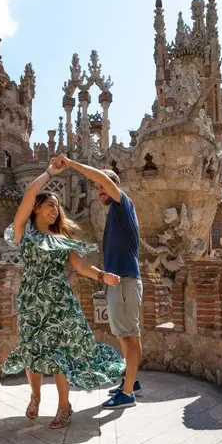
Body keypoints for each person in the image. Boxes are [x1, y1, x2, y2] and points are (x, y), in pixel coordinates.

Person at [0, 160, 126, 429]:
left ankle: (64, 407)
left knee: (61, 356)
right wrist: (49, 173)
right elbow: (28, 195)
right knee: (32, 350)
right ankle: (35, 397)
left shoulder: (62, 240)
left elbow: (80, 267)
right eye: (50, 205)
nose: (55, 210)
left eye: (57, 206)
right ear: (36, 209)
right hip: (32, 301)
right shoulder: (24, 232)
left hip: (59, 303)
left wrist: (103, 276)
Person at [52, 155, 142, 410]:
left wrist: (70, 163)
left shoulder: (123, 204)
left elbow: (102, 177)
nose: (99, 191)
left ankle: (127, 394)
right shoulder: (115, 213)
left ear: (113, 186)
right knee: (125, 335)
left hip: (124, 280)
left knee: (129, 336)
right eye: (97, 189)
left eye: (102, 187)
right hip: (118, 281)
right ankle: (131, 382)